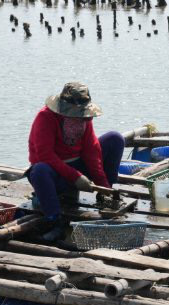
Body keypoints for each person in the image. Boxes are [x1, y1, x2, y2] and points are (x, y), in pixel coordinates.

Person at [26, 82, 124, 241]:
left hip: (77, 166)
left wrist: (104, 186)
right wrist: (75, 177)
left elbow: (92, 153)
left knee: (115, 138)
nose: (79, 118)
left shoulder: (85, 119)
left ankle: (107, 196)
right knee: (39, 170)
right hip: (53, 172)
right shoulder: (45, 117)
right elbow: (45, 155)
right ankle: (54, 220)